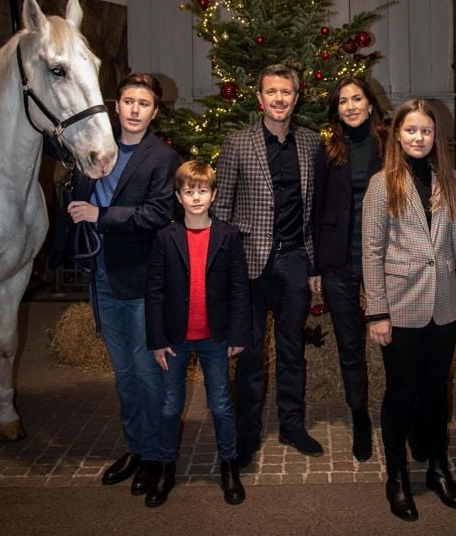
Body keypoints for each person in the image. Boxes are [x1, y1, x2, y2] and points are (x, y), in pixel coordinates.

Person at [54, 72, 181, 496]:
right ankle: (137, 449)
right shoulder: (96, 147)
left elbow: (158, 214)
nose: (134, 109)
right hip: (102, 276)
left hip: (143, 280)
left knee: (149, 375)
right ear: (116, 105)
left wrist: (100, 216)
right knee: (124, 375)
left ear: (155, 111)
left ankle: (159, 457)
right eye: (128, 101)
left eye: (143, 103)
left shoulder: (162, 158)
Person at [362, 99, 456, 522]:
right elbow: (371, 251)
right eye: (410, 130)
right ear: (397, 135)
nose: (418, 138)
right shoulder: (383, 184)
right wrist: (377, 312)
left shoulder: (452, 181)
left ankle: (437, 466)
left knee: (435, 391)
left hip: (445, 303)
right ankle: (396, 476)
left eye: (425, 131)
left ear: (435, 136)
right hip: (400, 304)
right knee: (401, 391)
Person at [213, 63, 322, 468]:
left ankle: (292, 425)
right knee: (251, 352)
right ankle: (247, 434)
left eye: (287, 92)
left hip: (294, 258)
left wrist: (313, 264)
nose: (279, 99)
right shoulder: (237, 144)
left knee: (293, 349)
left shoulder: (311, 144)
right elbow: (222, 210)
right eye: (271, 92)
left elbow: (314, 207)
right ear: (259, 98)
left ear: (297, 96)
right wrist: (222, 269)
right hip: (248, 262)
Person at [144, 161, 251, 508]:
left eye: (202, 190)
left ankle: (229, 465)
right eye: (188, 191)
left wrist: (238, 334)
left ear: (214, 194)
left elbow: (239, 290)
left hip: (215, 337)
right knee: (170, 405)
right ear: (178, 196)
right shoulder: (165, 237)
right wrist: (156, 339)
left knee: (220, 404)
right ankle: (165, 468)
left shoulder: (228, 236)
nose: (195, 197)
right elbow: (155, 291)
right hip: (174, 338)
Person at [312, 76, 386, 462]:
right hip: (338, 260)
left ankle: (396, 411)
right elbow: (316, 208)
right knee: (349, 344)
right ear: (336, 110)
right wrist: (315, 265)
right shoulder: (329, 150)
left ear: (371, 104)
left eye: (357, 99)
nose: (351, 106)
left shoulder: (389, 145)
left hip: (385, 258)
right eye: (343, 101)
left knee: (394, 339)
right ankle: (358, 414)